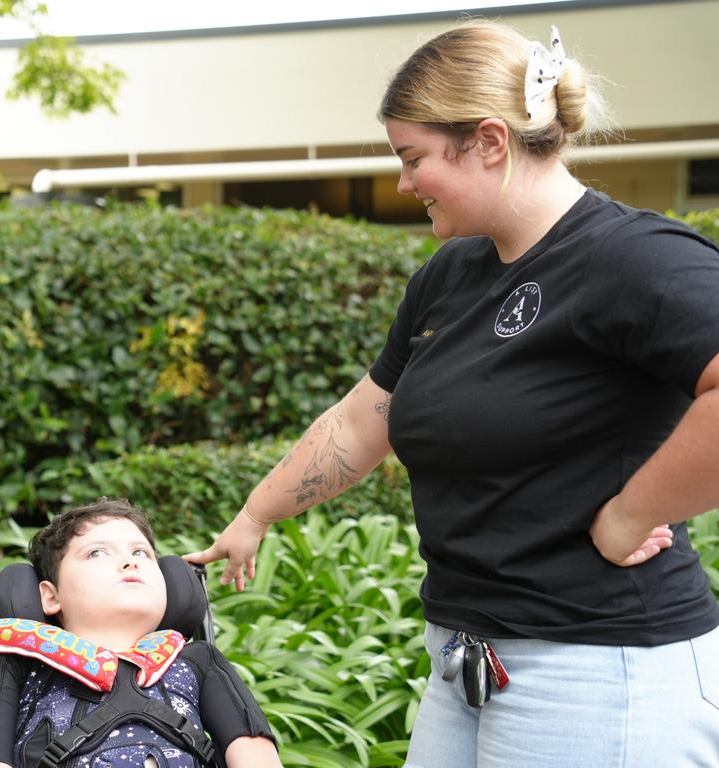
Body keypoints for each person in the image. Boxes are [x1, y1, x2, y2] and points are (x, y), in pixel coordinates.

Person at [184, 19, 719, 768]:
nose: (403, 183)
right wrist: (257, 514)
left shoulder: (633, 257)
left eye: (414, 158)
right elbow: (368, 415)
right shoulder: (452, 273)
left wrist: (633, 514)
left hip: (597, 667)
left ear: (491, 141)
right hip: (466, 662)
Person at [0, 498, 281, 768]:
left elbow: (253, 751)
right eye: (97, 553)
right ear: (50, 596)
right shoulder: (15, 662)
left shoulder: (196, 661)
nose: (129, 562)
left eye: (141, 552)